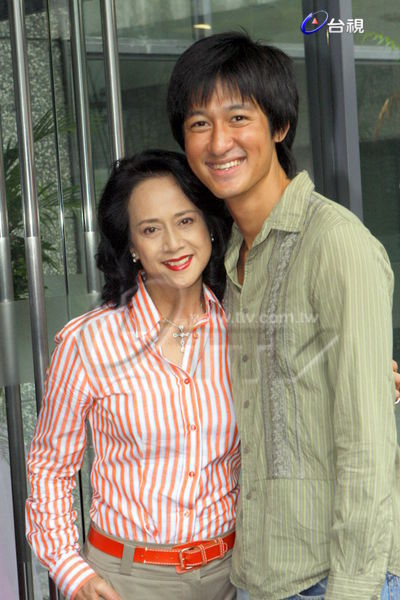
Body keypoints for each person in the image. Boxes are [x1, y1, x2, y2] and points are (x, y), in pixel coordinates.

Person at [167, 31, 400, 599]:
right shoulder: (226, 259)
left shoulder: (334, 243)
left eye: (238, 117)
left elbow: (368, 444)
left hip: (335, 578)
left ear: (280, 126)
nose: (219, 142)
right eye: (199, 123)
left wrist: (353, 589)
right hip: (257, 574)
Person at [25, 150, 240, 600]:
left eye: (185, 221)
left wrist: (372, 379)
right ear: (131, 247)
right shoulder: (88, 342)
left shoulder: (240, 330)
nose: (174, 244)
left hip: (235, 575)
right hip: (127, 582)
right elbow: (50, 467)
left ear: (209, 226)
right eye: (150, 229)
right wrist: (71, 571)